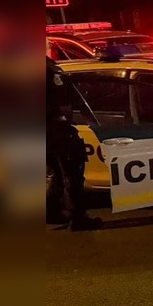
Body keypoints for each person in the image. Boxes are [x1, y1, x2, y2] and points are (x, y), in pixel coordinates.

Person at [46, 56, 101, 230]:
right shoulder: (48, 70)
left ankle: (54, 212)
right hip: (57, 129)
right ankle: (78, 217)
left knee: (57, 174)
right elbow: (62, 101)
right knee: (72, 172)